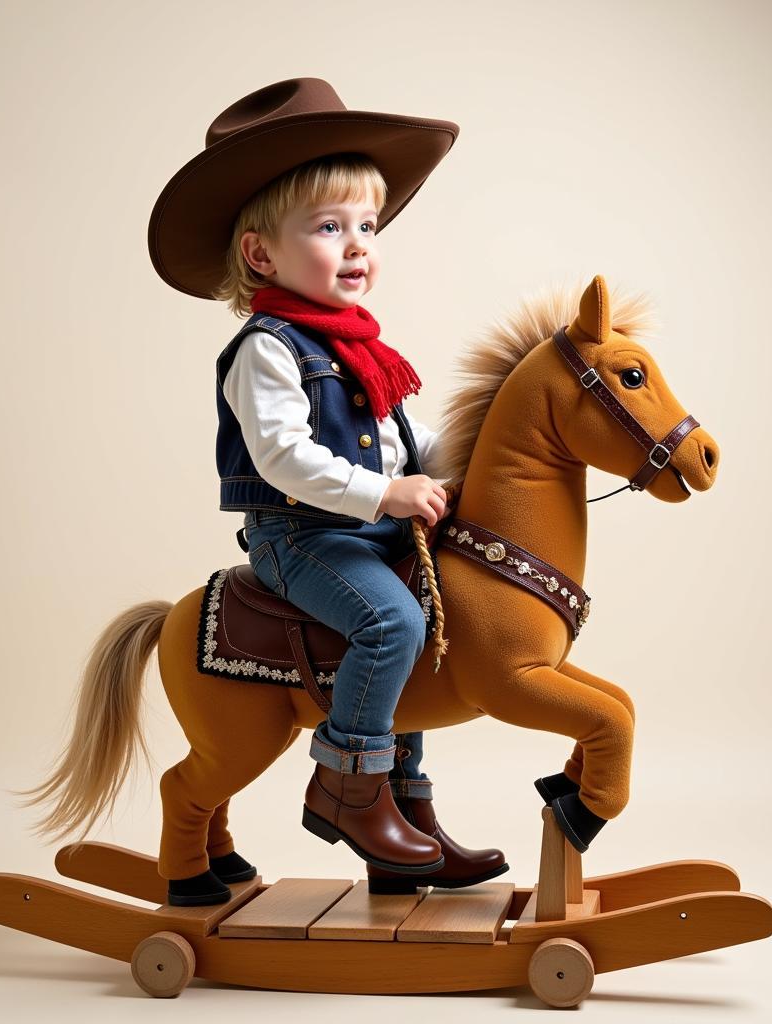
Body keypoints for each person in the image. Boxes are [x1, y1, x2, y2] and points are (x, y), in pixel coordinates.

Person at [147, 78, 508, 900]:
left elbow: (407, 449)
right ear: (261, 255)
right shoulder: (267, 350)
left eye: (367, 226)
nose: (356, 245)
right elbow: (283, 457)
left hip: (368, 534)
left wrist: (490, 435)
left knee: (434, 627)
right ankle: (347, 786)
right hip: (301, 540)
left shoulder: (363, 348)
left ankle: (409, 815)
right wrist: (387, 497)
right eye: (328, 226)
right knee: (390, 621)